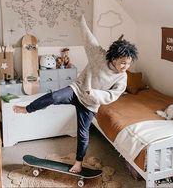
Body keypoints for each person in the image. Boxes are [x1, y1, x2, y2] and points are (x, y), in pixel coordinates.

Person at [13, 15, 138, 173]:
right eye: (123, 62)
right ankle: (27, 109)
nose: (126, 66)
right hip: (77, 90)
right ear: (114, 58)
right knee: (54, 96)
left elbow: (113, 95)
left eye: (128, 63)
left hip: (91, 104)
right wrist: (81, 21)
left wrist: (95, 94)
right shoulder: (99, 55)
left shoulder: (122, 76)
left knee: (83, 133)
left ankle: (78, 163)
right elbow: (88, 38)